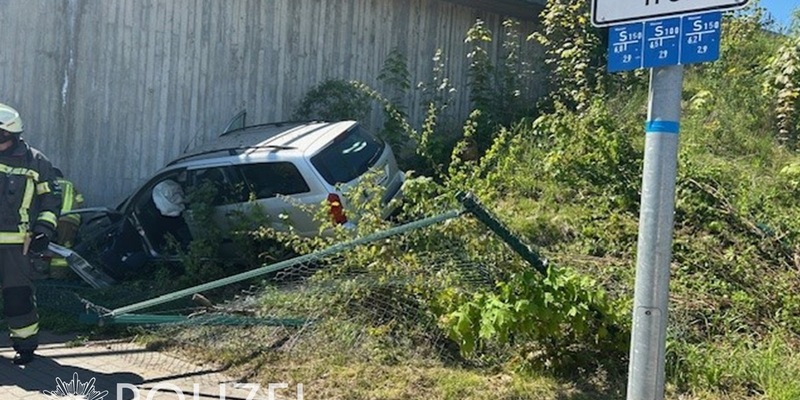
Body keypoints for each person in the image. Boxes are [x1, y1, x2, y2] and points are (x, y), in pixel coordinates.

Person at [0, 103, 61, 365]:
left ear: (10, 134)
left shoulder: (35, 162)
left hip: (17, 245)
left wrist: (44, 230)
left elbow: (51, 201)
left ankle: (25, 347)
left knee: (18, 297)